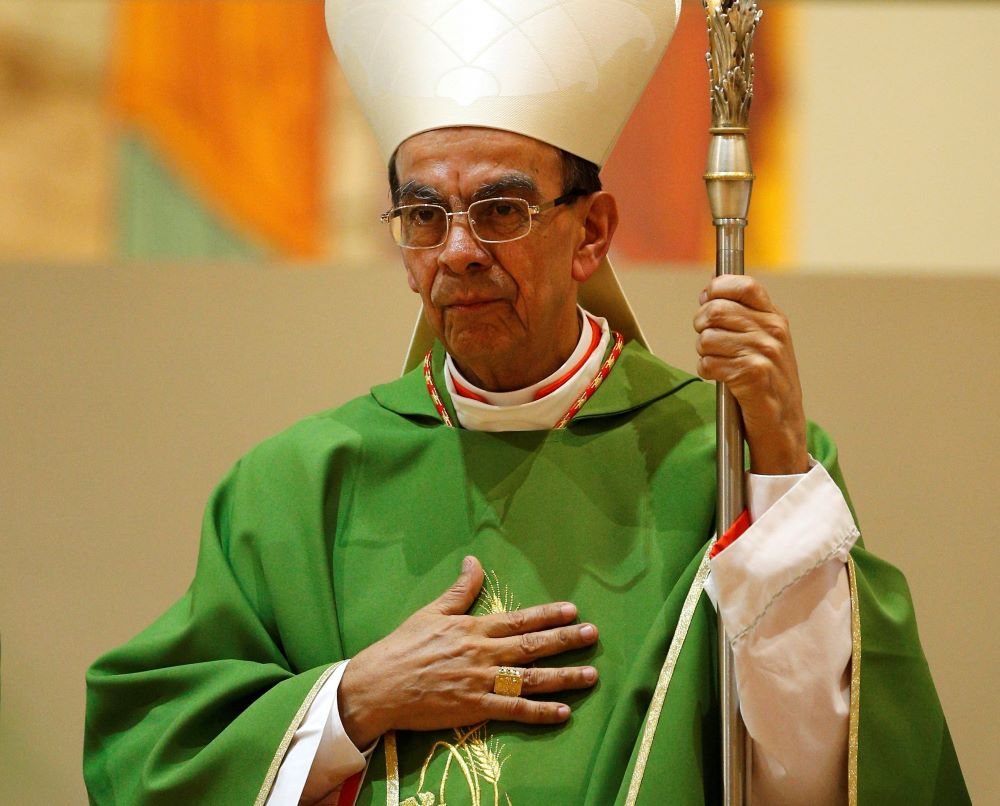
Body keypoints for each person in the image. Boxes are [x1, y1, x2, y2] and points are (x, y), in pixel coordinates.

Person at [84, 3, 968, 804]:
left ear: (591, 232)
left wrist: (776, 461)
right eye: (424, 216)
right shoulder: (296, 487)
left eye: (500, 209)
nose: (459, 251)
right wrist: (355, 699)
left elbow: (829, 771)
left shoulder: (732, 459)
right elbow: (152, 753)